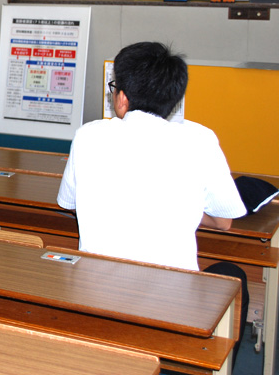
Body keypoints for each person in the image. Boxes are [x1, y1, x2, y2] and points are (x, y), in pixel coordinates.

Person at [57, 41, 249, 362]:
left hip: (96, 304)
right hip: (173, 311)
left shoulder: (89, 135)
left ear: (121, 97)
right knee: (232, 273)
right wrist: (180, 208)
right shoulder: (200, 138)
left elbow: (69, 203)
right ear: (174, 98)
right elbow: (225, 220)